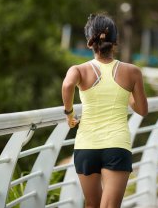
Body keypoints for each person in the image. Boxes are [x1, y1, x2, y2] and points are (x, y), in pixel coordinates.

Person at [61, 13, 148, 208]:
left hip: (86, 146)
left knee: (91, 205)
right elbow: (142, 110)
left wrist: (69, 114)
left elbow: (67, 87)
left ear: (89, 41)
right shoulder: (132, 72)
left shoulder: (78, 70)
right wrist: (125, 95)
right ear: (115, 41)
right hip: (117, 146)